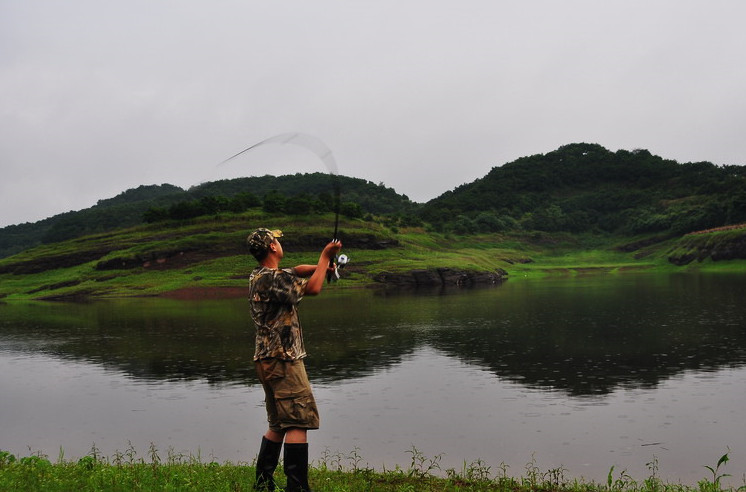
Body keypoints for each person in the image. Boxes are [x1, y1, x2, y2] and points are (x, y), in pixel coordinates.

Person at [247, 227, 342, 492]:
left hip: (267, 360)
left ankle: (263, 484)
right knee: (298, 421)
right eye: (276, 240)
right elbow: (313, 289)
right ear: (272, 247)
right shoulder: (272, 280)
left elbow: (296, 270)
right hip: (284, 360)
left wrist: (324, 265)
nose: (279, 242)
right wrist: (325, 257)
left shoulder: (260, 275)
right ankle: (297, 488)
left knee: (277, 424)